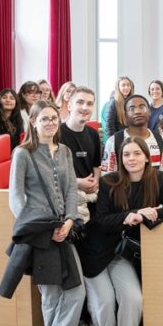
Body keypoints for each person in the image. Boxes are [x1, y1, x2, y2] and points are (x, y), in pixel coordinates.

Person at [3, 100, 85, 326]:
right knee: (51, 297)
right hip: (41, 235)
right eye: (44, 119)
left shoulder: (64, 151)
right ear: (34, 122)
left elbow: (72, 189)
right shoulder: (22, 154)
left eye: (54, 118)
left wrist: (71, 220)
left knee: (75, 292)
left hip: (65, 230)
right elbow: (16, 198)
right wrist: (39, 229)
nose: (50, 123)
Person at [84, 137, 163, 326]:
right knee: (106, 301)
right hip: (96, 252)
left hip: (122, 255)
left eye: (136, 154)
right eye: (126, 155)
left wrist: (149, 215)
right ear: (120, 159)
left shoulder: (157, 178)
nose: (131, 159)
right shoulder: (110, 181)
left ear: (147, 157)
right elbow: (100, 221)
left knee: (133, 298)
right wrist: (135, 214)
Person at [59, 87, 101, 224]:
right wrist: (77, 182)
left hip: (90, 195)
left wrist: (95, 181)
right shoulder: (57, 134)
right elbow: (50, 172)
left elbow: (96, 165)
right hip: (66, 198)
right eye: (80, 102)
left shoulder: (93, 134)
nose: (85, 107)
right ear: (70, 105)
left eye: (89, 104)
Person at [103, 95, 163, 173]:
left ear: (149, 111)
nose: (137, 111)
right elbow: (107, 176)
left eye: (142, 107)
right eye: (132, 108)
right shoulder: (113, 142)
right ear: (125, 115)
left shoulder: (160, 139)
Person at [100, 76, 134, 144]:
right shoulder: (113, 103)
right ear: (118, 88)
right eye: (123, 85)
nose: (126, 87)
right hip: (117, 141)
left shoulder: (132, 101)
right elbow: (109, 127)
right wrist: (112, 144)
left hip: (130, 140)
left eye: (128, 85)